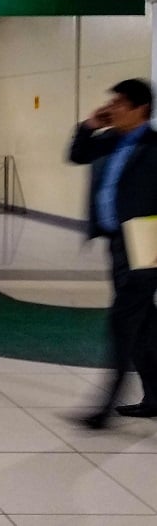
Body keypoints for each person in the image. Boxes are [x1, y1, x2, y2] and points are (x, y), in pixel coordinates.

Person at [69, 78, 157, 429]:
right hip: (117, 241)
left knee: (124, 322)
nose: (114, 108)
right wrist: (91, 125)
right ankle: (154, 397)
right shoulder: (111, 139)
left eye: (121, 103)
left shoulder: (154, 146)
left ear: (141, 110)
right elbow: (77, 154)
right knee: (145, 325)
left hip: (147, 240)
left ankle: (104, 408)